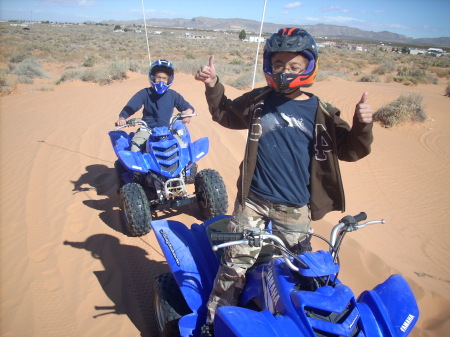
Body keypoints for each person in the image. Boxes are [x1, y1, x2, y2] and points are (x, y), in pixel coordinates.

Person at [194, 27, 374, 329]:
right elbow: (226, 115)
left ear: (308, 66)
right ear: (269, 65)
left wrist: (362, 125)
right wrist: (214, 85)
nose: (285, 71)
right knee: (234, 264)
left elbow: (351, 149)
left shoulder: (322, 112)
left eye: (294, 66)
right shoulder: (259, 100)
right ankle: (215, 324)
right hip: (252, 200)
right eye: (278, 64)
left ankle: (292, 325)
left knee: (299, 273)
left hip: (294, 206)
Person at [117, 59, 195, 152]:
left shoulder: (173, 95)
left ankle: (184, 167)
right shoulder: (145, 93)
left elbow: (187, 107)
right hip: (147, 130)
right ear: (153, 77)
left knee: (183, 148)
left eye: (164, 78)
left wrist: (188, 112)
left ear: (169, 80)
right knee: (135, 149)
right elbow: (132, 106)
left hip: (167, 131)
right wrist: (122, 117)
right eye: (158, 77)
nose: (161, 81)